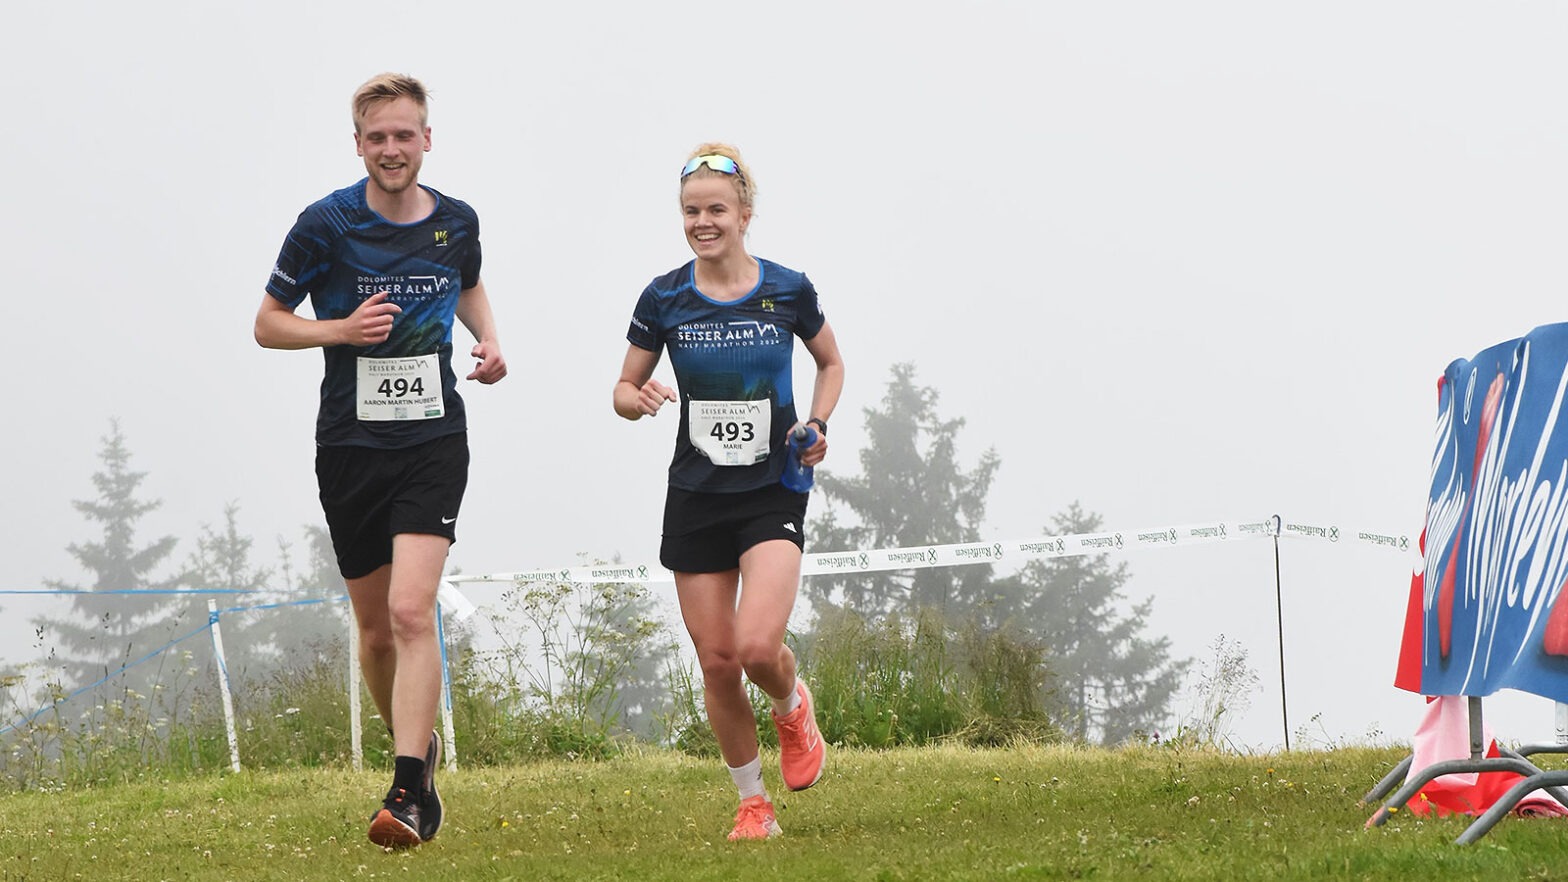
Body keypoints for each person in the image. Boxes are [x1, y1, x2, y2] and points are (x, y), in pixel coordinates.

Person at [254, 72, 507, 849]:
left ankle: (405, 790)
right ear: (358, 144)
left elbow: (467, 284)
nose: (391, 149)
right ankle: (418, 754)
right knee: (374, 631)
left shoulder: (457, 221)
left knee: (409, 611)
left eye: (404, 135)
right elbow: (267, 323)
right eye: (377, 138)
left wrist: (489, 340)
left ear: (427, 139)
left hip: (433, 441)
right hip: (350, 446)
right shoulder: (325, 224)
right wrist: (340, 330)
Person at [613, 143, 846, 841]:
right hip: (696, 493)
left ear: (745, 214)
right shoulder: (664, 297)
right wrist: (637, 399)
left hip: (773, 487)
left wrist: (817, 423)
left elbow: (831, 363)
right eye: (691, 211)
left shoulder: (788, 290)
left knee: (755, 647)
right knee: (717, 662)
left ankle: (792, 706)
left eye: (716, 209)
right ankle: (753, 805)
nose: (703, 222)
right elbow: (622, 388)